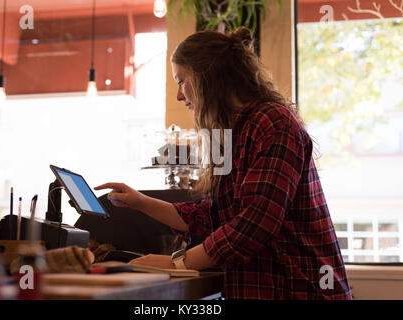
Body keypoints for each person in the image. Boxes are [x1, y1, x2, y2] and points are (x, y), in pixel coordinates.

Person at [95, 27, 352, 300]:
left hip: (299, 289)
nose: (180, 96)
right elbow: (215, 216)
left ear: (208, 77)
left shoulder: (273, 123)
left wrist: (176, 263)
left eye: (181, 81)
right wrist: (141, 202)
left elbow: (255, 223)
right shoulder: (224, 138)